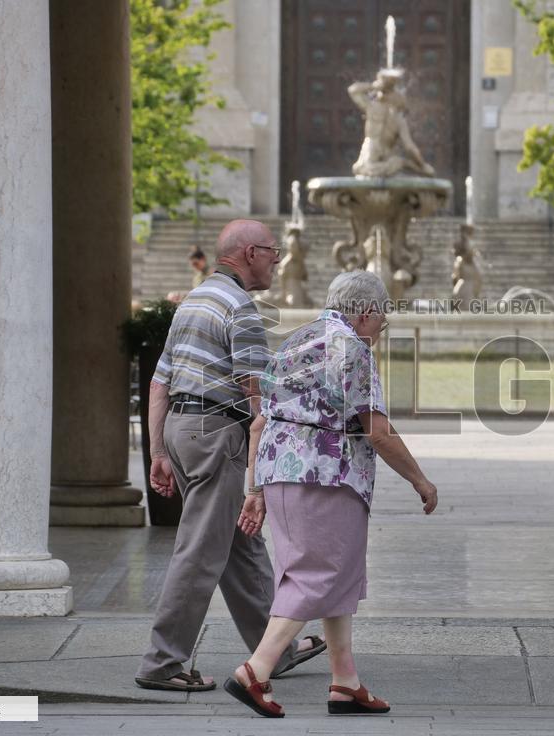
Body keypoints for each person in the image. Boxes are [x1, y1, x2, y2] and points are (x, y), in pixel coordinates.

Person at [223, 270, 439, 718]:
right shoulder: (353, 349)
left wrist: (256, 488)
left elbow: (261, 422)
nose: (381, 328)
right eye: (382, 319)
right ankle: (255, 671)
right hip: (328, 476)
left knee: (334, 574)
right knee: (315, 577)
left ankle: (345, 682)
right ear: (365, 314)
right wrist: (420, 480)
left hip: (282, 474)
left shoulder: (297, 340)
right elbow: (376, 431)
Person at [135, 219, 327, 692]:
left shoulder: (193, 301)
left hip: (184, 431)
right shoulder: (240, 308)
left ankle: (273, 650)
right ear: (246, 254)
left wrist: (159, 450)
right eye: (272, 251)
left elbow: (160, 382)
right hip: (217, 432)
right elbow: (254, 393)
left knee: (240, 548)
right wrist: (268, 465)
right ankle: (162, 663)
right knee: (199, 552)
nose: (278, 260)